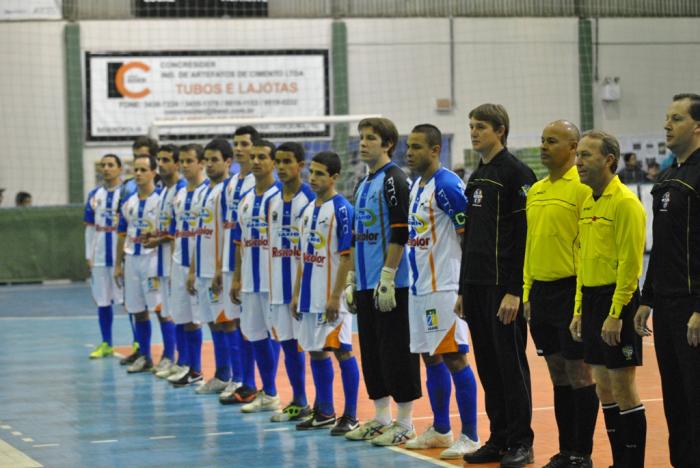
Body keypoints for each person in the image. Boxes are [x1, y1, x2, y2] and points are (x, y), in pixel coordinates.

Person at [458, 103, 536, 467]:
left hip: (503, 289)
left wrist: (515, 289)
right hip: (476, 288)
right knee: (488, 367)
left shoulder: (517, 173)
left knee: (510, 366)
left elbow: (524, 237)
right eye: (471, 126)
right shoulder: (478, 174)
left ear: (500, 130)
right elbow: (470, 236)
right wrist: (462, 288)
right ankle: (498, 437)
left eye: (481, 127)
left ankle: (521, 441)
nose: (474, 132)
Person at [401, 124, 480, 459]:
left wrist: (465, 286)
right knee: (429, 355)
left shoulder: (447, 185)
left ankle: (471, 436)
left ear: (435, 150)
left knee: (454, 356)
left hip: (444, 286)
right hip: (419, 287)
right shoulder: (419, 184)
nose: (409, 152)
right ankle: (440, 429)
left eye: (417, 147)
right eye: (408, 146)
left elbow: (469, 235)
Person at [523, 121, 598, 468]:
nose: (543, 146)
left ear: (572, 147)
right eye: (542, 140)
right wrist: (527, 293)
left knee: (580, 373)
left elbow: (588, 247)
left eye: (551, 141)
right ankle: (566, 449)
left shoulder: (583, 190)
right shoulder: (536, 190)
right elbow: (530, 246)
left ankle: (582, 452)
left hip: (571, 293)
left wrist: (582, 303)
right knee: (556, 373)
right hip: (541, 293)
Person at [569, 130, 647, 468]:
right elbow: (583, 259)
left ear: (609, 160)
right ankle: (619, 461)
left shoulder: (626, 203)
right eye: (578, 155)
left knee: (623, 385)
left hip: (619, 302)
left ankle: (634, 463)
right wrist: (579, 309)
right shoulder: (588, 202)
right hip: (592, 300)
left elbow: (631, 265)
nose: (578, 162)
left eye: (586, 155)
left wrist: (617, 313)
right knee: (602, 386)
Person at [342, 118, 421, 446]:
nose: (363, 143)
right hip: (365, 284)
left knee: (396, 351)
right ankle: (380, 417)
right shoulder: (363, 184)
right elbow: (359, 236)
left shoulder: (394, 180)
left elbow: (401, 231)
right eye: (361, 137)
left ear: (387, 143)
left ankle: (405, 422)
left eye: (370, 138)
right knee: (373, 353)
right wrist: (351, 278)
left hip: (392, 284)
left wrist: (388, 275)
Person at [635, 93, 700, 468]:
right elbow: (659, 249)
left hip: (694, 307)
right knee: (675, 397)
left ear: (697, 126)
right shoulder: (667, 177)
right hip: (668, 306)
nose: (667, 125)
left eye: (676, 118)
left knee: (695, 396)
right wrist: (648, 298)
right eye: (666, 118)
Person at [291, 151, 361, 436]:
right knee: (316, 352)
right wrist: (296, 294)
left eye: (320, 173)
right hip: (309, 294)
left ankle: (352, 415)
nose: (313, 178)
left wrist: (335, 296)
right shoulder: (307, 210)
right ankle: (324, 411)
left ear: (335, 177)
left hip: (332, 297)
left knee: (342, 351)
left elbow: (347, 257)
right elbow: (303, 256)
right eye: (312, 172)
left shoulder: (342, 209)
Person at [230, 140, 282, 412]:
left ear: (273, 162)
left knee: (282, 337)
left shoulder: (283, 195)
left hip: (276, 282)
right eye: (253, 157)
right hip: (250, 280)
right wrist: (237, 277)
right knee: (256, 336)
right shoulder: (246, 199)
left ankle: (296, 398)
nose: (257, 161)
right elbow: (239, 241)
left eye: (263, 157)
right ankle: (269, 392)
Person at [266, 142, 315, 422]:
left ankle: (323, 405)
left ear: (301, 165)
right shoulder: (271, 200)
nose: (282, 167)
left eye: (288, 162)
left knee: (313, 348)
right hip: (277, 287)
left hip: (305, 289)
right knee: (286, 343)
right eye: (279, 162)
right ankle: (299, 400)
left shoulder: (310, 198)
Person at [186, 138, 233, 394]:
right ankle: (222, 373)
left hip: (219, 271)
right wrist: (193, 269)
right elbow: (198, 233)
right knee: (213, 322)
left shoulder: (228, 191)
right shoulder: (202, 192)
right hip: (202, 268)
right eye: (208, 160)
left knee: (227, 322)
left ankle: (232, 375)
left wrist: (219, 267)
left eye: (216, 159)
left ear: (228, 162)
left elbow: (227, 233)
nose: (211, 164)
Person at [219, 126, 258, 405]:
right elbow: (228, 228)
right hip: (230, 260)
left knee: (253, 325)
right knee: (232, 319)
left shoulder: (260, 182)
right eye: (236, 143)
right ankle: (241, 379)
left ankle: (256, 384)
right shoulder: (231, 183)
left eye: (244, 143)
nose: (239, 148)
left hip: (254, 265)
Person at [114, 154, 162, 373]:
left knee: (161, 309)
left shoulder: (161, 199)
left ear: (153, 172)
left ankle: (170, 357)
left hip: (153, 260)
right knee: (137, 310)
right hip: (131, 260)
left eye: (144, 170)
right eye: (136, 170)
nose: (139, 174)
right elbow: (122, 234)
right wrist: (118, 264)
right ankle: (145, 356)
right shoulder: (128, 202)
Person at [166, 144, 208, 386]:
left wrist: (194, 267)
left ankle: (197, 369)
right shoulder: (179, 195)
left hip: (199, 264)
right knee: (180, 316)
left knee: (194, 318)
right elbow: (176, 233)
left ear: (200, 163)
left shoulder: (206, 193)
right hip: (178, 263)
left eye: (189, 160)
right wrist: (174, 266)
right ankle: (186, 365)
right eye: (181, 160)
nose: (184, 165)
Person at [143, 144, 185, 376]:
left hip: (177, 261)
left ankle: (182, 361)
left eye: (167, 159)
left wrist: (158, 240)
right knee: (168, 311)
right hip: (163, 261)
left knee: (181, 314)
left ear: (177, 164)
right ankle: (172, 356)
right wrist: (154, 236)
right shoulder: (164, 191)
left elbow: (181, 230)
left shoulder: (181, 190)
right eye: (159, 159)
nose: (161, 164)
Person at [84, 154, 125, 359]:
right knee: (103, 301)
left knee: (129, 302)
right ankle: (106, 343)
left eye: (111, 165)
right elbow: (90, 229)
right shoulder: (94, 195)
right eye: (103, 165)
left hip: (123, 257)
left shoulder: (128, 192)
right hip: (100, 256)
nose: (106, 169)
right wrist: (88, 255)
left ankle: (138, 344)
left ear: (120, 169)